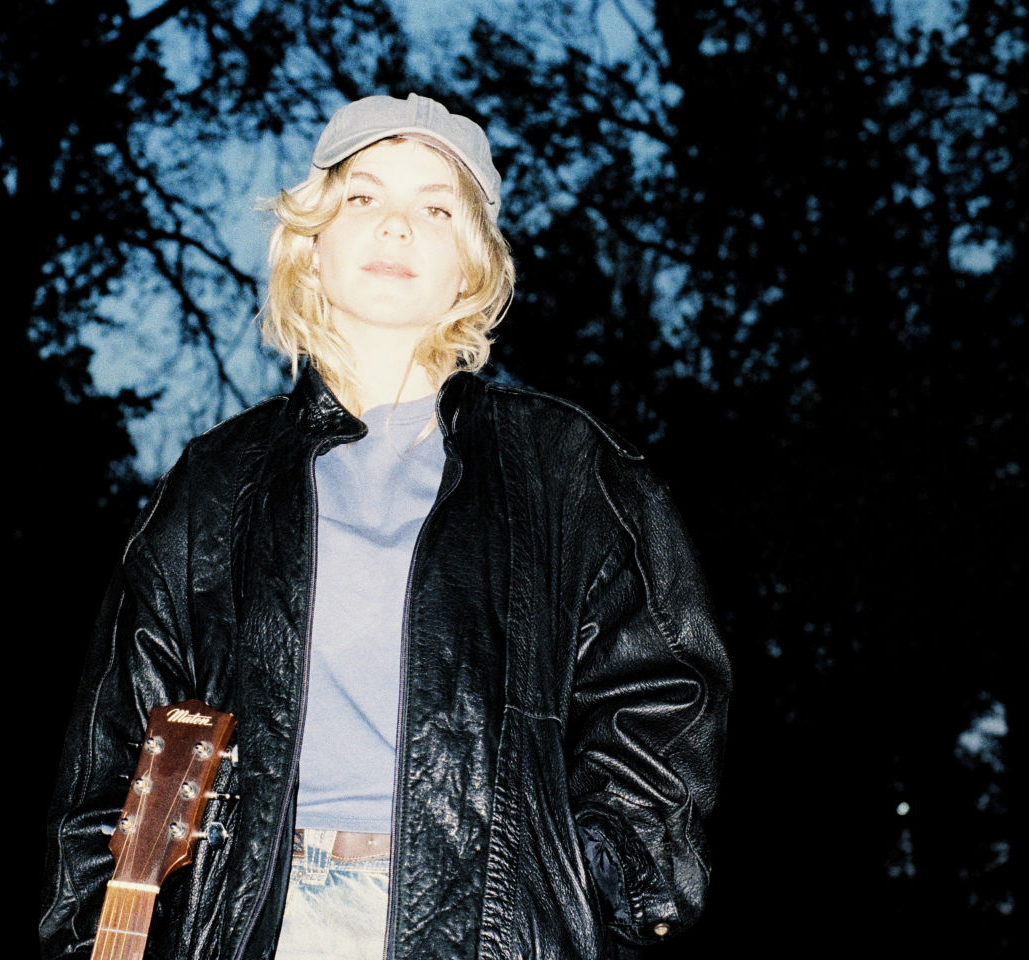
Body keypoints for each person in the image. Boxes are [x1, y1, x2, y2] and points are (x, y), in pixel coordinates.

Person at [39, 93, 730, 960]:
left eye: (435, 209)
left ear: (471, 268)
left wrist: (594, 887)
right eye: (363, 197)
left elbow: (662, 688)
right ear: (312, 245)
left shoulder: (567, 466)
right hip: (254, 924)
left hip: (491, 927)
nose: (396, 225)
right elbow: (119, 739)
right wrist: (90, 935)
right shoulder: (217, 480)